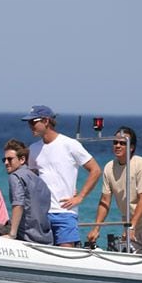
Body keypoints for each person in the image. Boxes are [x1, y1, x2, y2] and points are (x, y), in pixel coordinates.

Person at [22, 105, 101, 247]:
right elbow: (32, 182)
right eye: (29, 122)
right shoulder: (33, 149)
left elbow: (95, 170)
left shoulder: (70, 144)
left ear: (46, 121)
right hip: (41, 214)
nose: (30, 125)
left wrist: (80, 197)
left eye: (33, 122)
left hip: (65, 212)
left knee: (67, 255)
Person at [86, 126, 142, 256]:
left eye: (122, 143)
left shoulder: (141, 164)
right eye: (115, 142)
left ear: (131, 147)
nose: (118, 145)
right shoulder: (109, 168)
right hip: (129, 223)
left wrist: (131, 227)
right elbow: (105, 201)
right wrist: (96, 228)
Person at [0, 139, 53, 244]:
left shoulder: (15, 176)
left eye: (10, 159)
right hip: (44, 238)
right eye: (4, 159)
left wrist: (12, 235)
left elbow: (18, 204)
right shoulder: (39, 181)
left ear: (22, 159)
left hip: (24, 236)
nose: (6, 163)